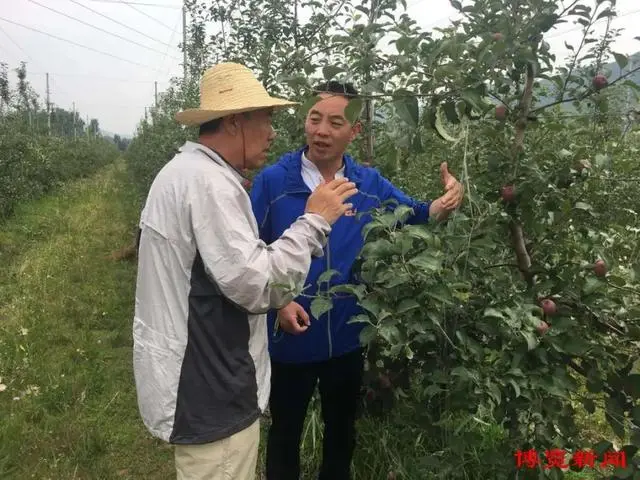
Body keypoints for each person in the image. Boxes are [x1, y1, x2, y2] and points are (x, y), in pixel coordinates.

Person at [132, 63, 358, 480]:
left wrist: (279, 302)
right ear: (236, 122)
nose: (273, 133)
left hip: (198, 376)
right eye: (266, 119)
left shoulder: (185, 173)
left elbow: (223, 273)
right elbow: (259, 285)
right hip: (212, 388)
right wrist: (314, 221)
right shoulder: (210, 186)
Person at [249, 80, 464, 480]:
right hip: (289, 338)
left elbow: (415, 213)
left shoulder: (367, 185)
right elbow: (249, 252)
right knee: (285, 433)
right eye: (314, 119)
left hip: (348, 334)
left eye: (334, 122)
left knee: (341, 433)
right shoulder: (274, 183)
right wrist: (278, 301)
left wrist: (445, 202)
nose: (322, 131)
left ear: (355, 131)